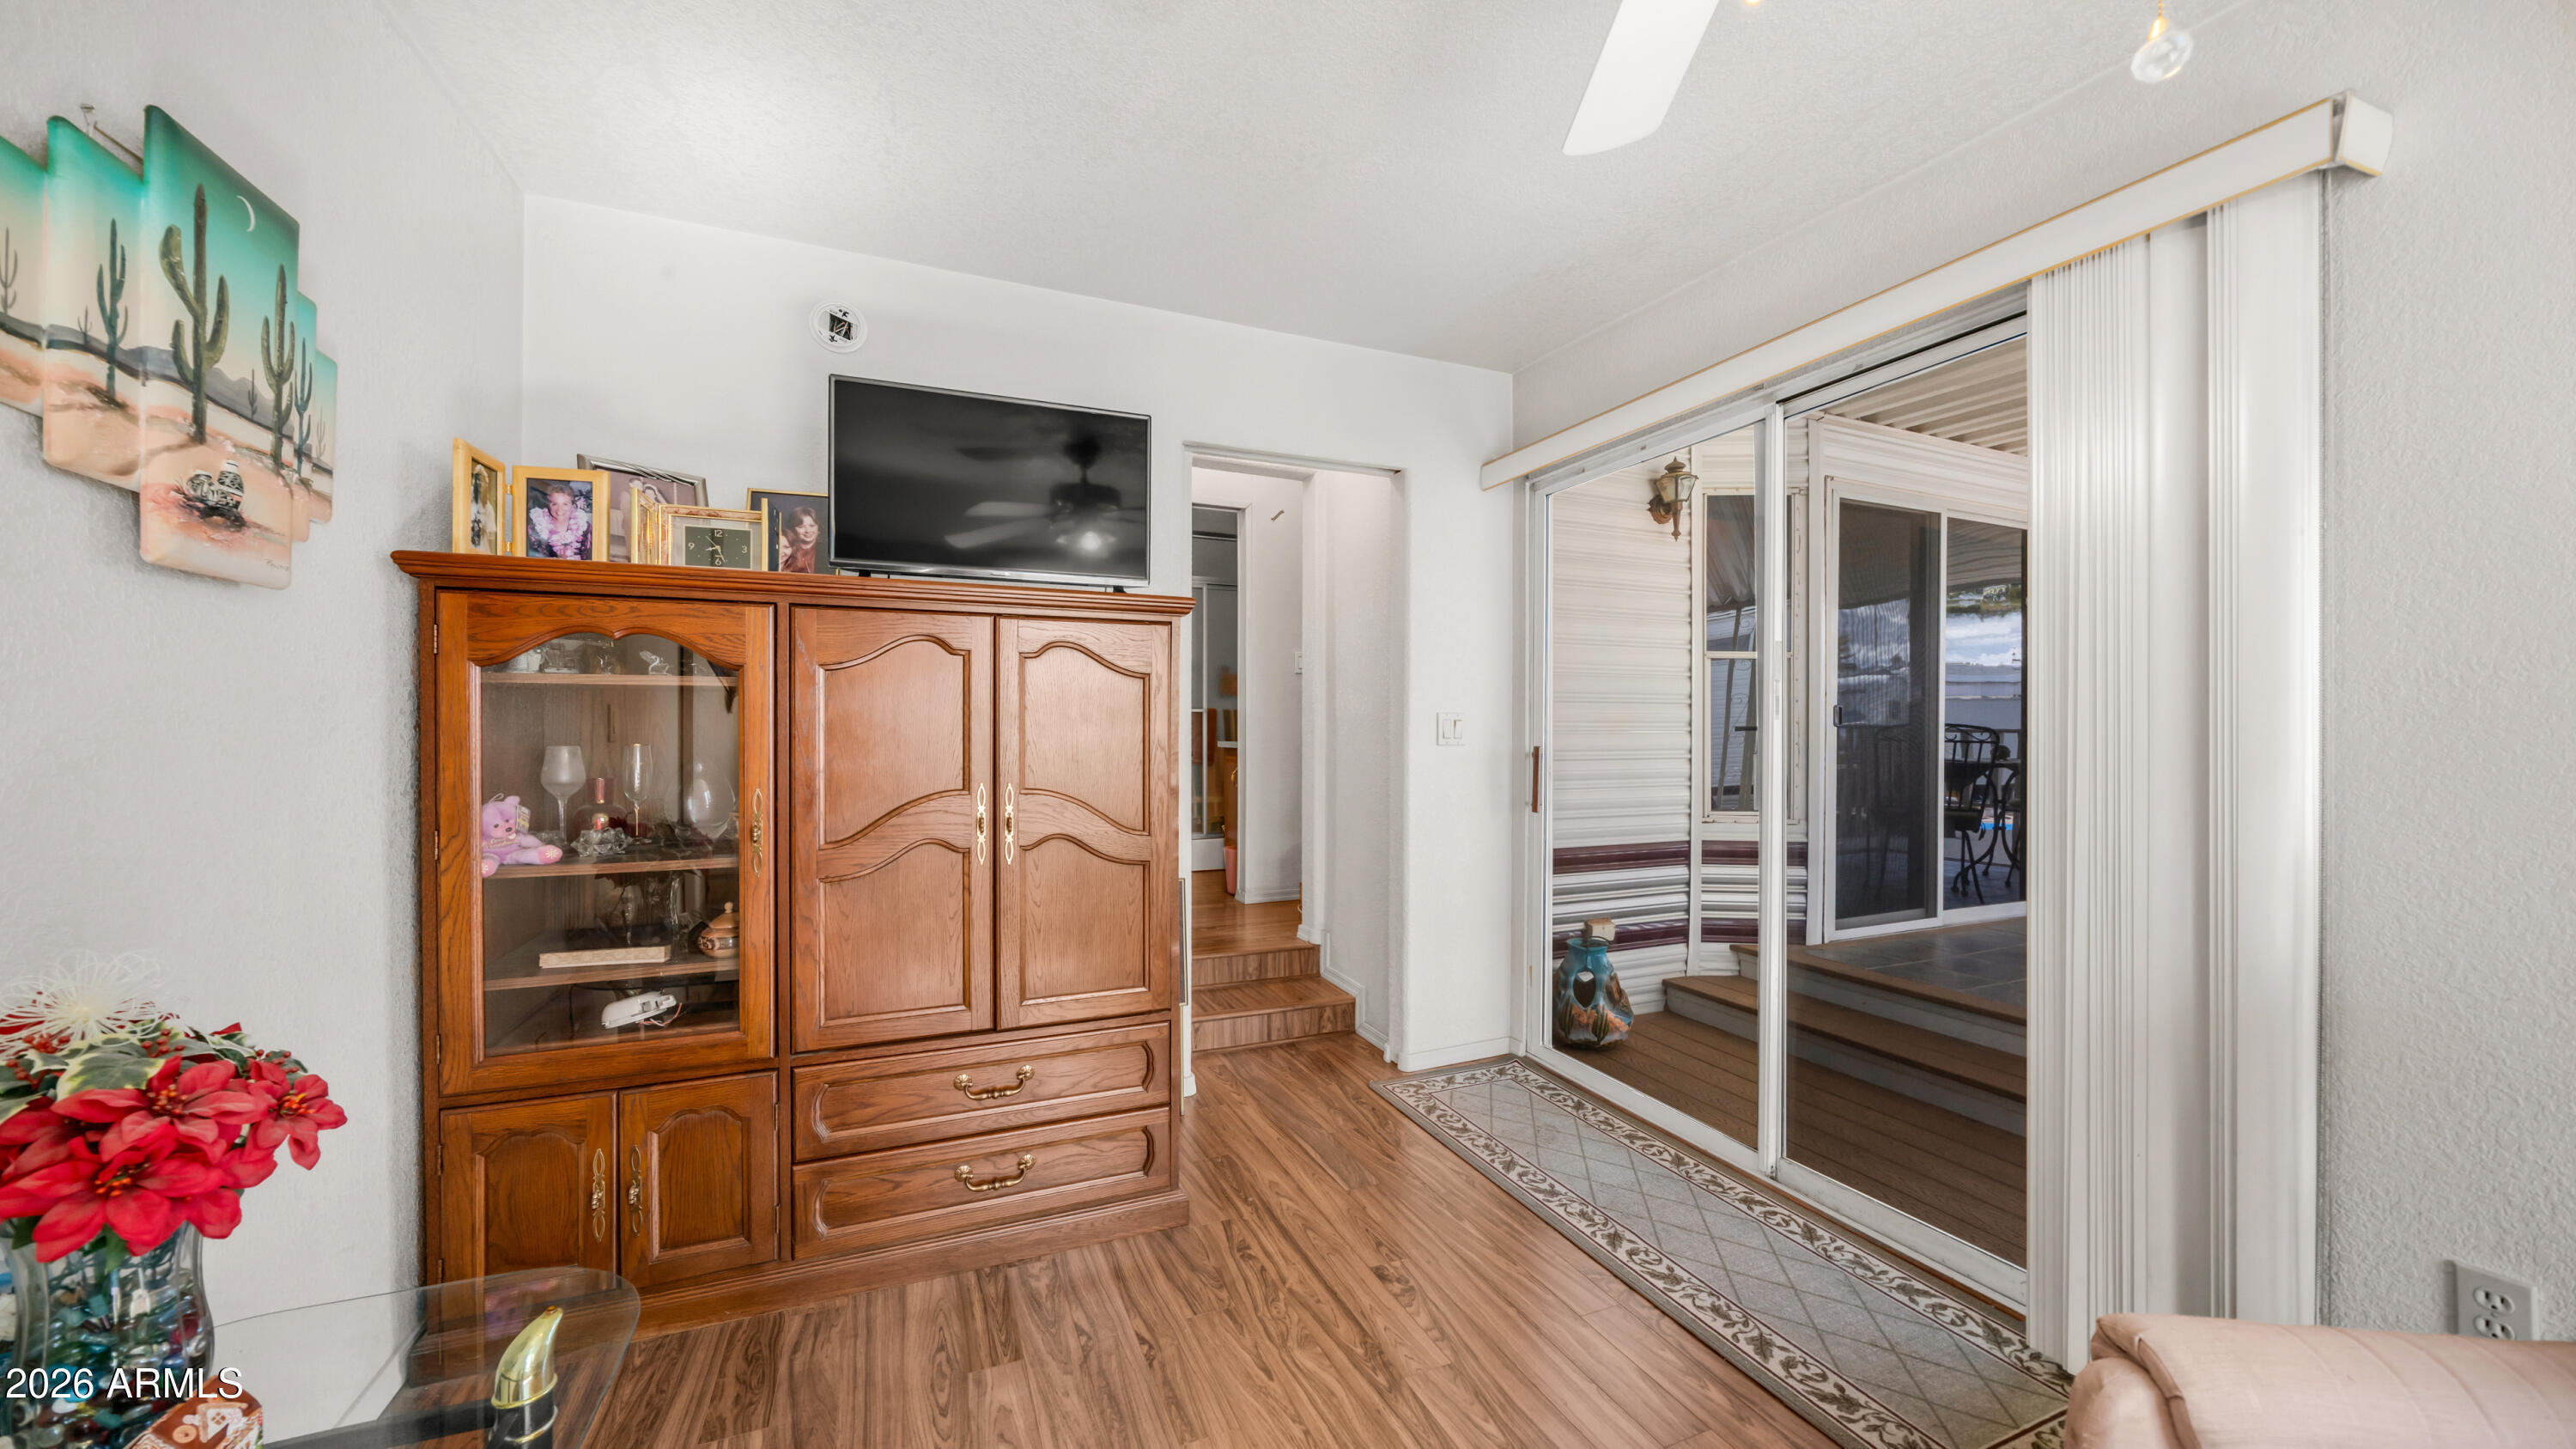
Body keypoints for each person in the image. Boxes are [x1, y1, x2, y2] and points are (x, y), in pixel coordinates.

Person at [526, 482, 592, 559]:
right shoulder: (537, 527)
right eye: (555, 504)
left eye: (565, 504)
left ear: (572, 504)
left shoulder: (585, 528)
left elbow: (589, 558)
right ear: (548, 505)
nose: (560, 510)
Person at [776, 505, 821, 573]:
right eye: (801, 527)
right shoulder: (787, 551)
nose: (808, 531)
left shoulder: (826, 552)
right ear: (793, 528)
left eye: (812, 526)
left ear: (818, 527)